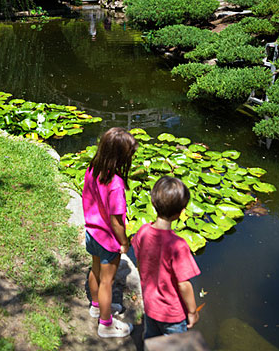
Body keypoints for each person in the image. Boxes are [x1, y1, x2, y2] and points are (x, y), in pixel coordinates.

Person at [82, 127, 138, 338]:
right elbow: (116, 221)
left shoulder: (93, 168)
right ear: (120, 156)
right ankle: (105, 325)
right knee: (107, 282)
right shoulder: (115, 184)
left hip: (92, 232)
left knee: (95, 270)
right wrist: (124, 242)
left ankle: (97, 307)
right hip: (108, 240)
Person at [132, 176, 201, 340]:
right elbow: (184, 284)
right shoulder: (178, 245)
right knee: (176, 345)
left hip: (150, 304)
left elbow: (140, 260)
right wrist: (192, 312)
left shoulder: (143, 232)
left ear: (153, 203)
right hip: (172, 314)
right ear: (180, 212)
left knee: (152, 338)